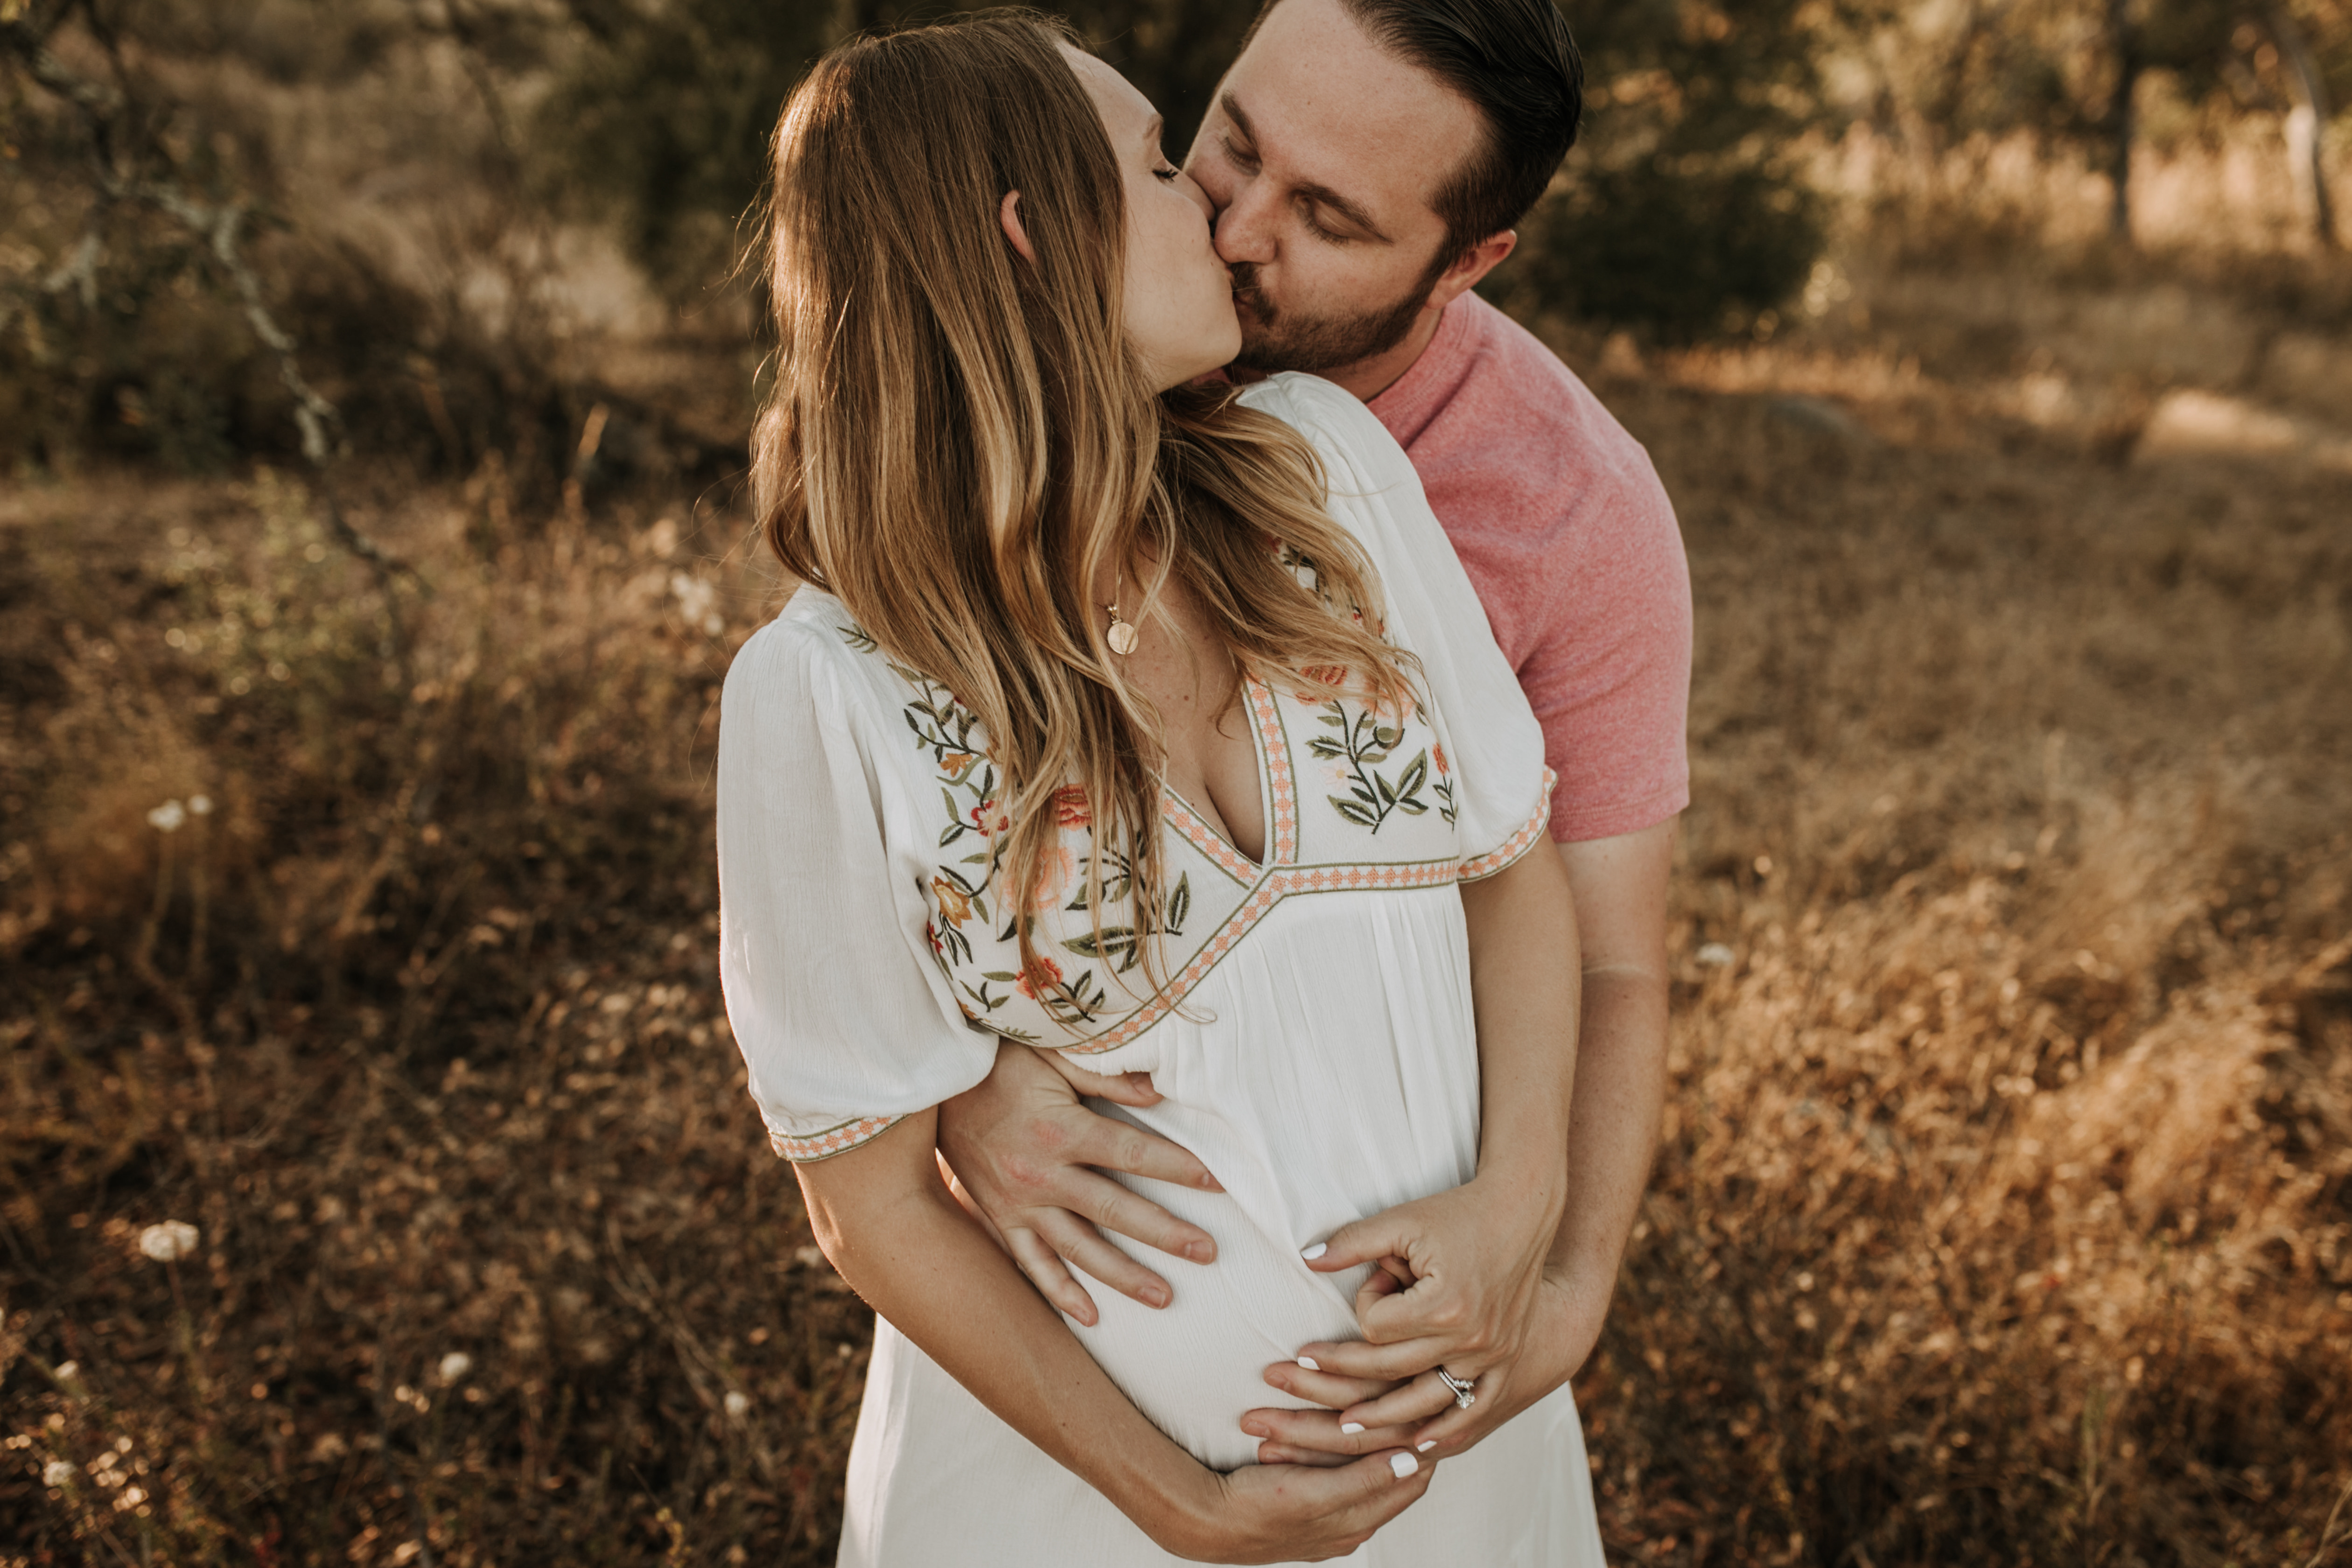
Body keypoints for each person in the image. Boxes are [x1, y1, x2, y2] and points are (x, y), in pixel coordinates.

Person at [717, 11, 1604, 1563]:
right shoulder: (825, 693)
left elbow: (1511, 871)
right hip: (1083, 1516)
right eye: (1166, 163)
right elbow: (871, 1205)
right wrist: (1186, 1506)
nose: (1217, 211)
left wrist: (1517, 1213)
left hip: (1469, 1471)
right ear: (1030, 239)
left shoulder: (1317, 468)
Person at [936, 0, 1690, 1469]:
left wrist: (1564, 1274)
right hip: (1048, 1322)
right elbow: (851, 820)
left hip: (1400, 1319)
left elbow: (1608, 951)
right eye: (1230, 144)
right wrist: (958, 1092)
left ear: (1465, 263)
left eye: (1329, 217)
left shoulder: (1575, 514)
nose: (1231, 231)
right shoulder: (1023, 370)